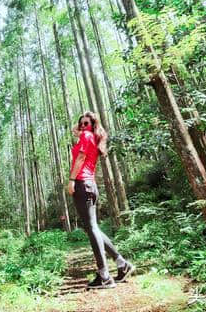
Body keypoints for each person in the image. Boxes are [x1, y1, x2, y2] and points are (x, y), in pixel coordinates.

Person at [67, 111, 135, 289]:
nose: (82, 127)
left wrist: (72, 180)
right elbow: (76, 130)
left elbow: (80, 158)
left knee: (91, 228)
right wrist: (83, 125)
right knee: (93, 228)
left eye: (86, 123)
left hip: (82, 184)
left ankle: (104, 275)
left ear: (93, 126)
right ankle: (122, 264)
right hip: (90, 186)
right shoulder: (90, 137)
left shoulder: (87, 136)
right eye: (81, 123)